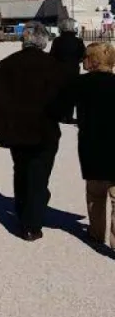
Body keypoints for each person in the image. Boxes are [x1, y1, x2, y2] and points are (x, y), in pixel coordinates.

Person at [0, 21, 69, 242]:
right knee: (39, 176)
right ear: (44, 41)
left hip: (16, 129)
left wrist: (7, 107)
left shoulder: (6, 64)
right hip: (44, 129)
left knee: (21, 171)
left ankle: (22, 213)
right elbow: (65, 98)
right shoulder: (54, 66)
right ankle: (32, 223)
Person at [55, 42, 115, 249]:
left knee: (95, 194)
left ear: (92, 60)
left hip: (93, 145)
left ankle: (97, 233)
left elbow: (62, 107)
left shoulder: (79, 83)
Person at [49, 17, 86, 124]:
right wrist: (76, 61)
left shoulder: (57, 41)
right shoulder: (78, 41)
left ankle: (60, 115)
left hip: (59, 70)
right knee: (71, 94)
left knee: (60, 93)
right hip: (73, 70)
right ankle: (68, 117)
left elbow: (52, 55)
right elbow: (83, 55)